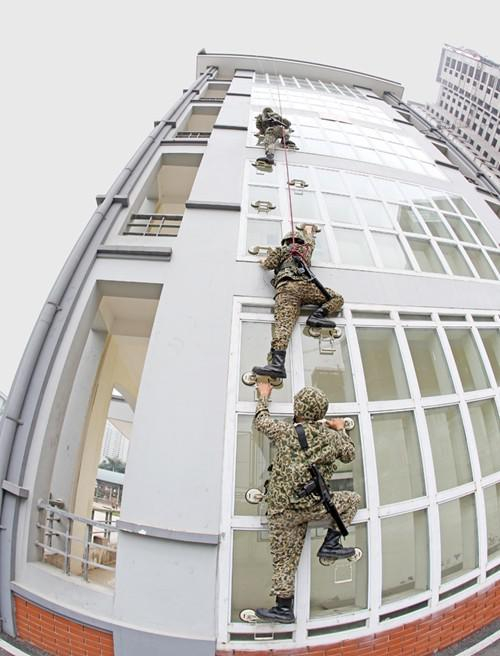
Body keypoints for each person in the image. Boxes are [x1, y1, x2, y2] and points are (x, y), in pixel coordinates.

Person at [253, 381, 361, 623]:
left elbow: (261, 421)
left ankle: (283, 608)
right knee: (352, 500)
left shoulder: (285, 432)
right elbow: (349, 454)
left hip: (283, 510)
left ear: (298, 408)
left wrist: (263, 396)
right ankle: (331, 543)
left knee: (284, 559)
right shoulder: (331, 438)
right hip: (313, 507)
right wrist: (340, 429)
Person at [252, 225, 343, 379]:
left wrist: (263, 261)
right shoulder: (305, 250)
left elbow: (268, 264)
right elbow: (311, 242)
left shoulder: (282, 250)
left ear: (286, 241)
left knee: (283, 326)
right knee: (337, 298)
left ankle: (277, 365)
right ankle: (317, 316)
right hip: (307, 287)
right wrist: (309, 231)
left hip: (287, 289)